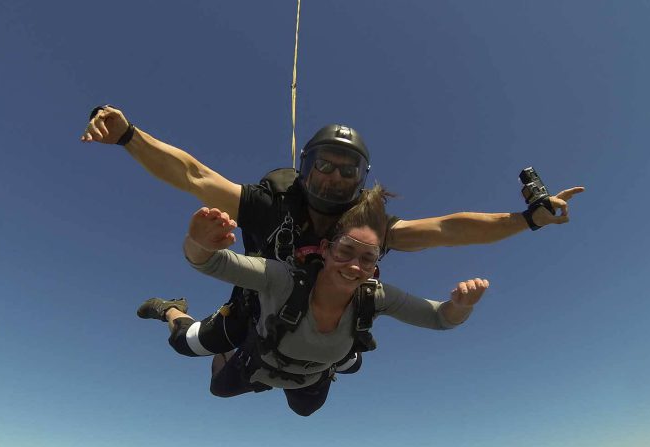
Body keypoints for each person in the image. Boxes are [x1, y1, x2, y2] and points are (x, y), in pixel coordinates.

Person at [80, 106, 581, 364]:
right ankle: (171, 308)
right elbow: (192, 175)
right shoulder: (269, 204)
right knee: (185, 346)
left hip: (321, 329)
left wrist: (526, 220)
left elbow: (447, 229)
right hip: (254, 311)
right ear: (306, 167)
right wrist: (128, 136)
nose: (336, 178)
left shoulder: (366, 229)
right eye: (326, 165)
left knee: (319, 382)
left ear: (363, 179)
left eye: (350, 171)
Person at [160, 185, 487, 416]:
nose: (355, 267)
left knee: (305, 409)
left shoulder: (375, 295)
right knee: (205, 370)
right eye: (346, 252)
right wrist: (199, 242)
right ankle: (172, 310)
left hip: (311, 375)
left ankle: (322, 364)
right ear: (327, 250)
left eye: (368, 259)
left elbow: (440, 318)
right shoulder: (283, 278)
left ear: (376, 266)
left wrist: (460, 307)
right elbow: (210, 262)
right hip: (259, 360)